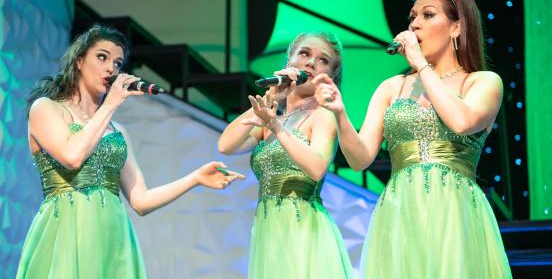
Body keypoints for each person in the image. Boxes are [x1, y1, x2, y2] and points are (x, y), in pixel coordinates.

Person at [313, 0, 512, 278]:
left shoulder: (482, 81)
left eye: (428, 15)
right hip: (399, 209)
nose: (414, 23)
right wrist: (340, 114)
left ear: (457, 27)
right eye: (413, 16)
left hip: (452, 207)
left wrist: (421, 64)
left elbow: (461, 121)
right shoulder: (392, 87)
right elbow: (360, 159)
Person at [16, 24, 244, 278]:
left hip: (112, 235)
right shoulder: (46, 109)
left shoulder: (117, 131)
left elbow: (141, 200)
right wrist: (110, 104)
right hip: (67, 231)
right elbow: (72, 156)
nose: (110, 68)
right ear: (79, 61)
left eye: (117, 62)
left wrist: (195, 178)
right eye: (102, 57)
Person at [218, 32, 353, 278]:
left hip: (303, 229)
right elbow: (226, 145)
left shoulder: (322, 115)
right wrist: (268, 101)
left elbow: (316, 168)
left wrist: (276, 128)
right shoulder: (271, 117)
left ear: (330, 76)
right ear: (289, 61)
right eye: (304, 53)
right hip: (268, 229)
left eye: (323, 60)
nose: (311, 62)